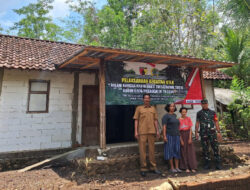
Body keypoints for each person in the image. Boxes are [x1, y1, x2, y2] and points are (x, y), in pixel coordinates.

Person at [133, 94, 162, 177]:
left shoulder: (153, 108)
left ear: (150, 99)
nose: (147, 99)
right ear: (143, 99)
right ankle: (143, 168)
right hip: (142, 132)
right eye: (145, 98)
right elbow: (136, 121)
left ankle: (153, 167)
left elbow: (155, 120)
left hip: (152, 131)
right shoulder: (139, 108)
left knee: (152, 150)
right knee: (142, 151)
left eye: (148, 98)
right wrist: (136, 131)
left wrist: (157, 131)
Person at [195, 99, 222, 170]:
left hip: (212, 133)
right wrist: (196, 132)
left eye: (206, 104)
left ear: (207, 104)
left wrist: (219, 132)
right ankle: (207, 164)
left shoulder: (213, 112)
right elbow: (197, 123)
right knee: (205, 149)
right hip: (203, 133)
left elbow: (216, 122)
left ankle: (218, 164)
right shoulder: (199, 113)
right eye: (203, 104)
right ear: (201, 105)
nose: (204, 105)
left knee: (215, 148)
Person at [162, 103, 181, 173]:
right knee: (170, 151)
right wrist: (164, 136)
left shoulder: (175, 115)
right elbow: (164, 127)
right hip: (169, 135)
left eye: (173, 106)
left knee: (177, 150)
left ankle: (177, 167)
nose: (172, 107)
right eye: (171, 106)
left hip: (176, 135)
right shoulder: (166, 116)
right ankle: (172, 168)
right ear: (168, 107)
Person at [179, 107, 197, 173]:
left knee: (190, 152)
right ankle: (186, 167)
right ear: (180, 112)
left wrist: (190, 138)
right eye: (182, 112)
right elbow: (178, 131)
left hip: (188, 135)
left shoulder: (188, 118)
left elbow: (190, 129)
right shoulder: (178, 120)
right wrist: (181, 140)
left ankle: (192, 167)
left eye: (185, 112)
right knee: (183, 152)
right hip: (182, 135)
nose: (184, 113)